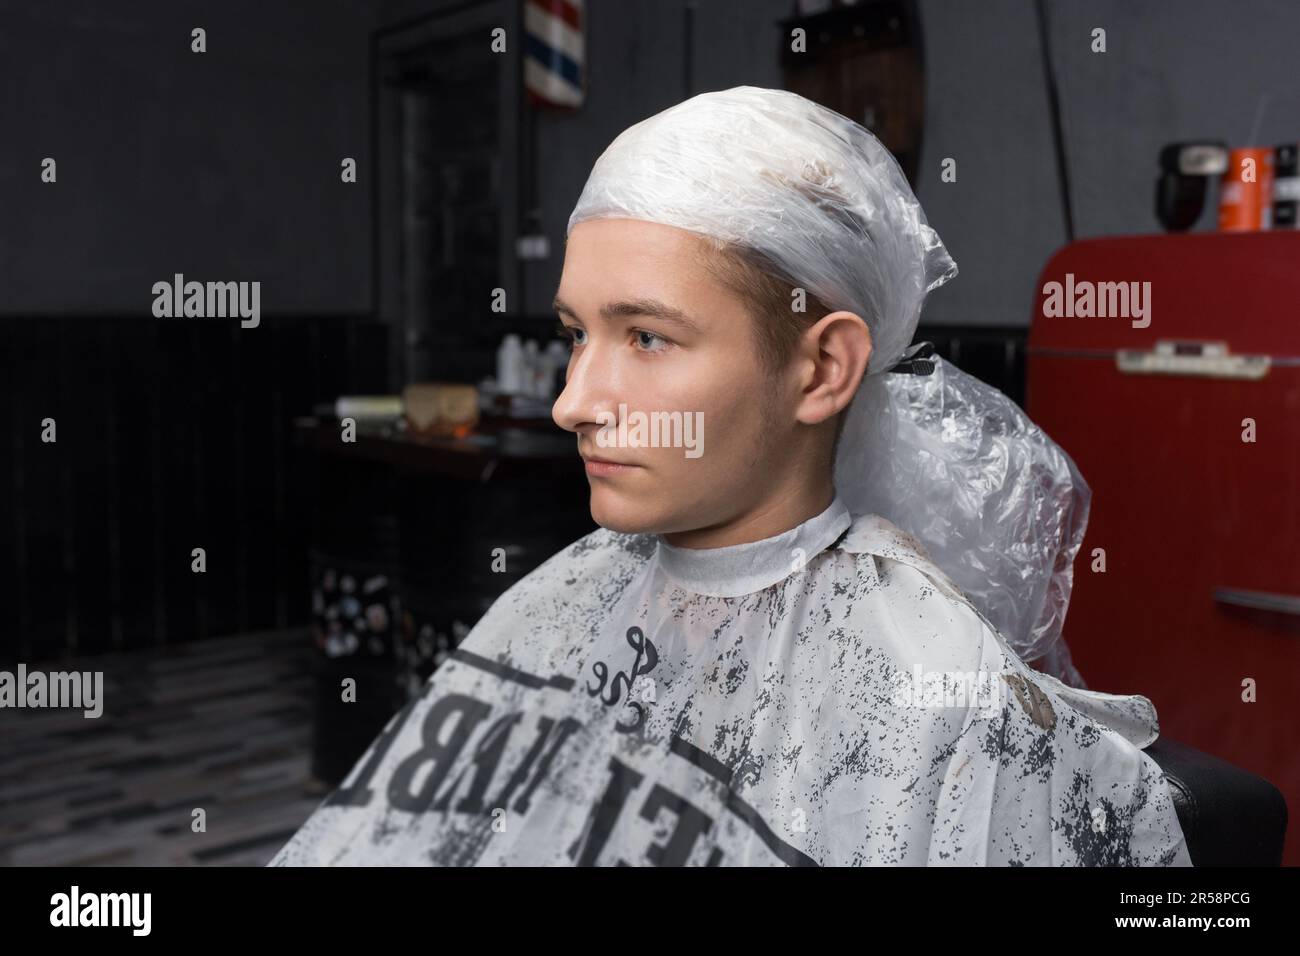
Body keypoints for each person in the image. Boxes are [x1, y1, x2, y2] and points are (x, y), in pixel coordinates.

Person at [268, 87, 1191, 866]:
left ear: (822, 370)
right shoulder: (566, 600)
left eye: (647, 337)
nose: (574, 403)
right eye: (575, 335)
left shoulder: (937, 698)